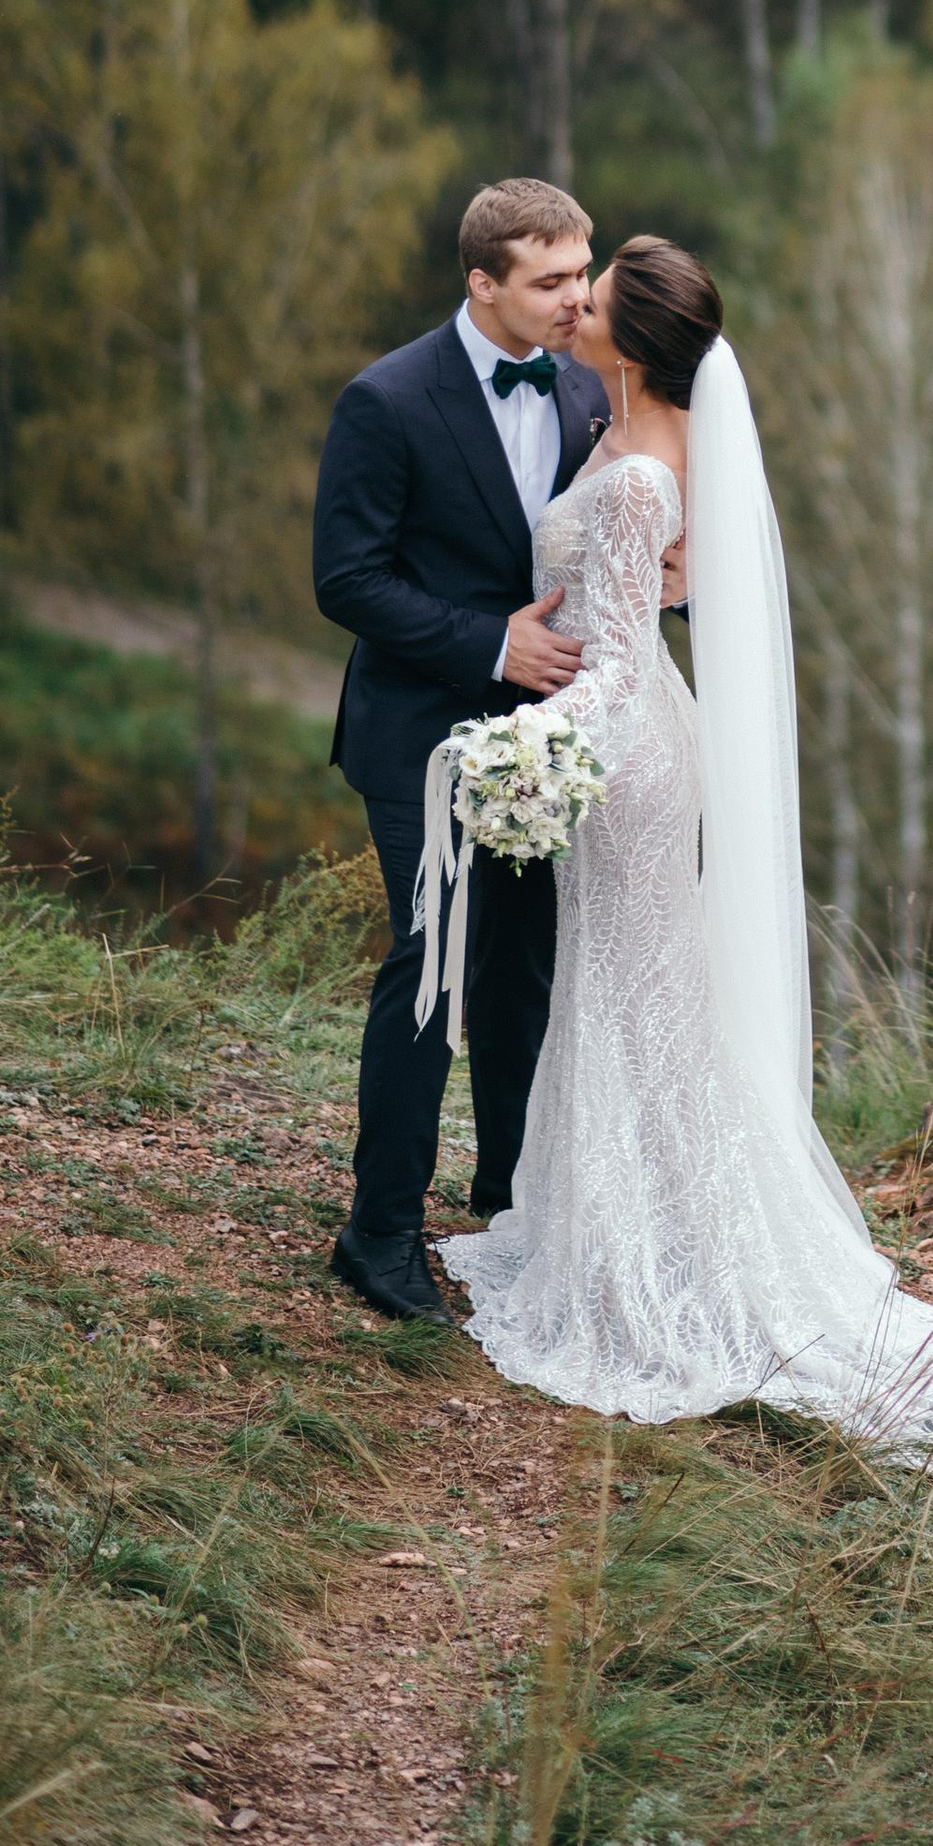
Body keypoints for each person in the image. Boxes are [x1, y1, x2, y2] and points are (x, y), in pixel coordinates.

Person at [439, 234, 933, 1472]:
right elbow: (648, 614)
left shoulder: (632, 475)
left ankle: (653, 1257)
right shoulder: (635, 434)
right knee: (636, 993)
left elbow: (619, 657)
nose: (576, 309)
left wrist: (525, 751)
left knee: (630, 994)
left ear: (635, 341)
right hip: (631, 738)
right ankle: (640, 1221)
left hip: (620, 750)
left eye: (597, 299)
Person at [312, 178, 615, 1324]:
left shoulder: (589, 389)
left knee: (522, 970)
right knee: (432, 968)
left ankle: (507, 1202)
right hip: (420, 733)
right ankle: (379, 1229)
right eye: (550, 281)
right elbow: (345, 580)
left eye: (580, 274)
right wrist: (491, 644)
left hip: (549, 747)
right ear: (481, 282)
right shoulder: (385, 401)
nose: (575, 300)